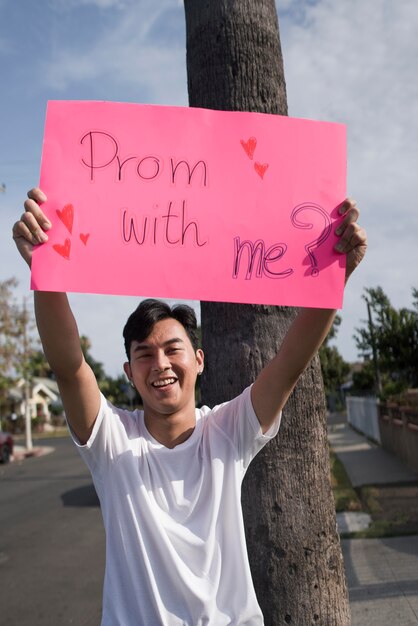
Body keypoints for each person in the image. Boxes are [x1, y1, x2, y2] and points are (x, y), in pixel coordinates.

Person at [13, 187, 367, 626]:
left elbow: (289, 363)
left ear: (199, 361)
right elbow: (69, 367)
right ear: (128, 371)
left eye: (172, 349)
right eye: (144, 353)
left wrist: (337, 274)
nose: (159, 363)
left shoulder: (228, 430)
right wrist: (44, 270)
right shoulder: (111, 440)